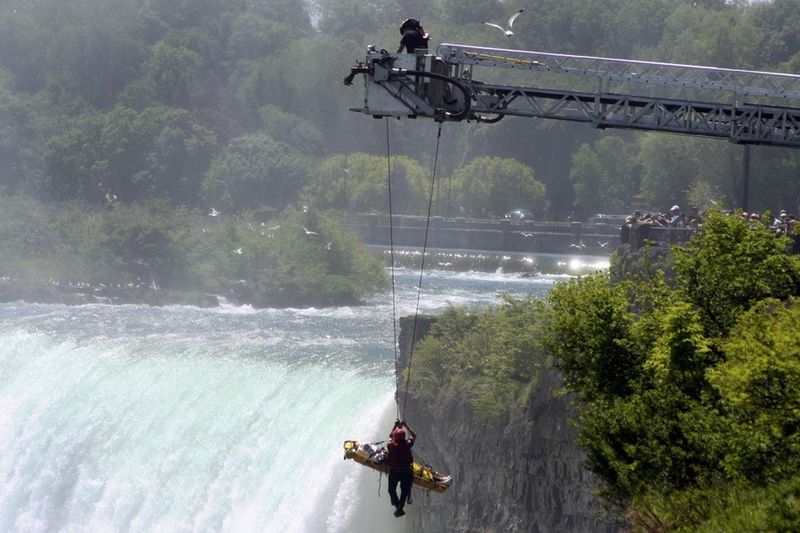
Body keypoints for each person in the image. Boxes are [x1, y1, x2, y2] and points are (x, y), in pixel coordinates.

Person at [387, 419, 417, 517]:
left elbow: (390, 436)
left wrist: (395, 426)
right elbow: (414, 436)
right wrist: (406, 425)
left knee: (391, 490)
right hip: (406, 472)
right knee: (404, 491)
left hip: (395, 472)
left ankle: (398, 508)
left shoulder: (391, 445)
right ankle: (399, 508)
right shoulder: (407, 444)